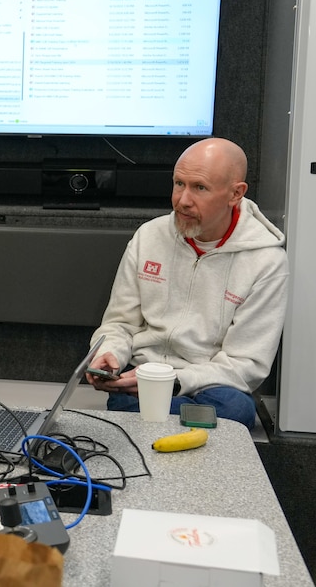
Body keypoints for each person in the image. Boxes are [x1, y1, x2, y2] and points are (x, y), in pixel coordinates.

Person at [86, 137, 288, 429]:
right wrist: (109, 355)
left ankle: (147, 414)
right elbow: (119, 323)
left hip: (212, 383)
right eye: (179, 183)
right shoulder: (149, 236)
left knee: (236, 408)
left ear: (236, 193)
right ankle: (169, 417)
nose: (182, 200)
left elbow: (247, 364)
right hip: (145, 372)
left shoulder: (266, 261)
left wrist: (177, 381)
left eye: (200, 188)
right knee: (135, 397)